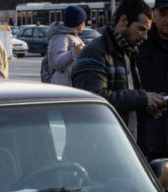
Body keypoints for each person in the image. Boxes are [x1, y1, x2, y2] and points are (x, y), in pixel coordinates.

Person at [71, 0, 165, 146]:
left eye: (147, 31)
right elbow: (94, 100)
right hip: (101, 147)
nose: (145, 37)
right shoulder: (95, 52)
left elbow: (125, 101)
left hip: (125, 145)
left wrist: (146, 107)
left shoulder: (129, 52)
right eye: (141, 29)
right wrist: (142, 99)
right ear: (123, 21)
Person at [137, 0, 168, 160]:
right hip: (149, 135)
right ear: (154, 14)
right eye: (163, 13)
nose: (167, 19)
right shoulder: (140, 43)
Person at [47, 6, 86, 86]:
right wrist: (73, 53)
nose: (84, 24)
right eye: (83, 21)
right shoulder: (61, 37)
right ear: (78, 22)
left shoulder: (73, 36)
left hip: (70, 84)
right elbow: (56, 62)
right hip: (63, 87)